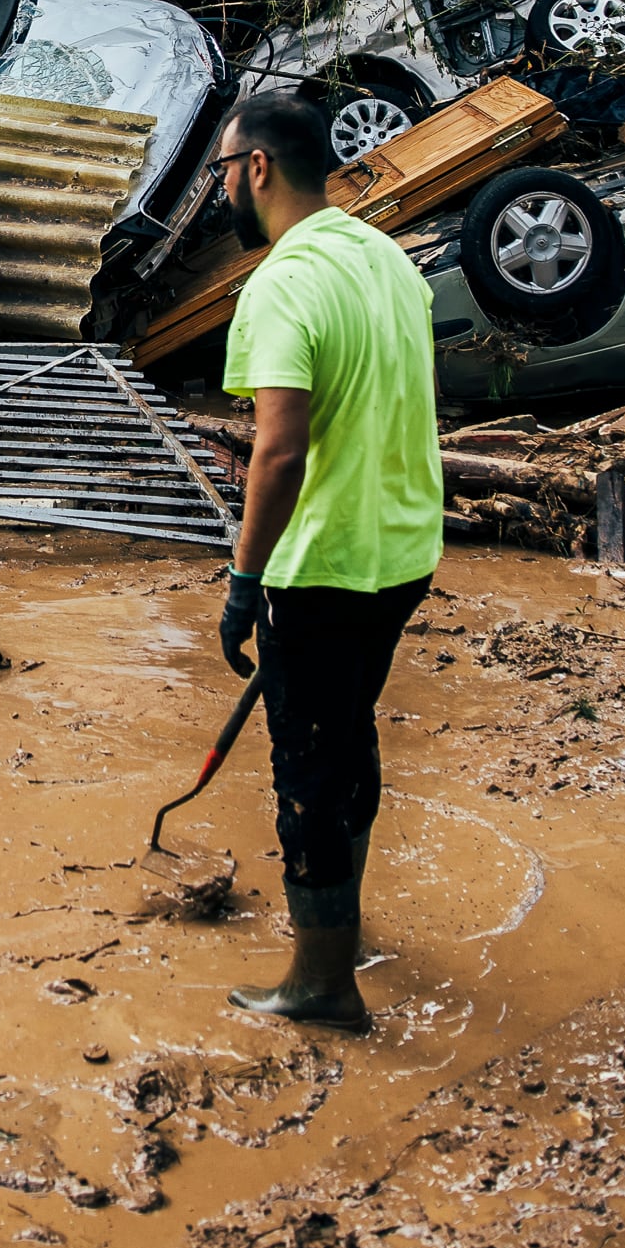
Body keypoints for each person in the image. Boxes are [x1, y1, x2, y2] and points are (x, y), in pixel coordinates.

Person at [209, 91, 444, 1031]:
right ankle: (345, 925)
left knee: (305, 769)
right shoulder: (387, 259)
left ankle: (320, 982)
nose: (222, 187)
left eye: (223, 169)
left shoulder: (279, 285)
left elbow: (280, 449)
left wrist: (242, 580)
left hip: (322, 567)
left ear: (257, 167)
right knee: (350, 733)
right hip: (403, 553)